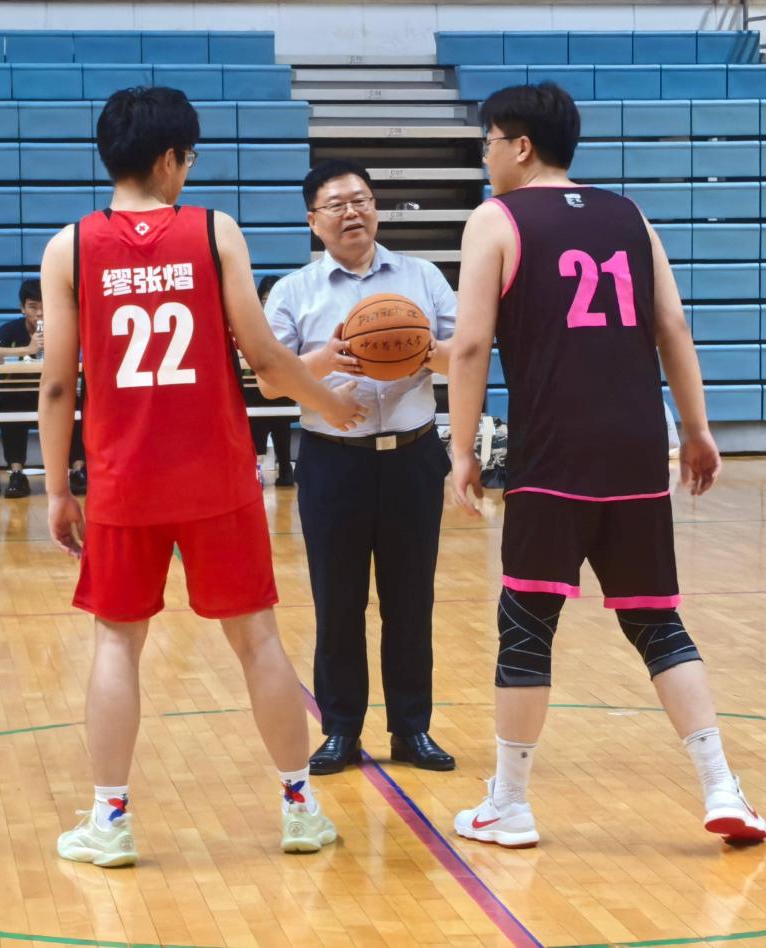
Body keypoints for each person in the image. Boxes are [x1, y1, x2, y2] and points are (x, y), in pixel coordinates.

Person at [37, 86, 368, 865]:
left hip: (122, 481)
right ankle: (299, 809)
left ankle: (110, 821)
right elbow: (266, 360)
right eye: (187, 158)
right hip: (216, 477)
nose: (188, 171)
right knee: (257, 641)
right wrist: (328, 402)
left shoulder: (68, 248)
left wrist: (56, 489)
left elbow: (56, 386)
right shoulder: (215, 230)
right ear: (168, 159)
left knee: (116, 644)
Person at [447, 83, 766, 848]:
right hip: (635, 450)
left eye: (489, 142)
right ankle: (723, 787)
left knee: (527, 622)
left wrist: (460, 449)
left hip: (553, 452)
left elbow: (469, 344)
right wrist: (697, 430)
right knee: (657, 620)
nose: (486, 157)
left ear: (521, 146)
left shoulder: (496, 219)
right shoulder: (630, 216)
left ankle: (510, 804)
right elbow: (673, 326)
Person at [265, 159, 459, 775]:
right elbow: (271, 381)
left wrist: (424, 351)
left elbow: (465, 356)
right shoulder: (293, 291)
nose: (353, 212)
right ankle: (341, 730)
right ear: (313, 220)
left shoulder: (423, 277)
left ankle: (412, 729)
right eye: (337, 204)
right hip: (332, 462)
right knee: (338, 604)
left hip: (412, 457)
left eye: (362, 200)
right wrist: (329, 358)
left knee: (412, 601)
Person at [0, 279, 86, 498]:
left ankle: (78, 470)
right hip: (21, 395)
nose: (39, 313)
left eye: (44, 305)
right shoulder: (12, 328)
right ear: (22, 308)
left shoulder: (64, 326)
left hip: (56, 393)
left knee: (78, 405)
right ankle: (17, 474)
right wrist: (27, 349)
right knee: (8, 404)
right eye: (32, 307)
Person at [247, 274, 294, 487]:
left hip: (281, 387)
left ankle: (285, 468)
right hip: (255, 390)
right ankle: (256, 469)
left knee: (282, 427)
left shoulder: (289, 320)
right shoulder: (250, 322)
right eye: (265, 299)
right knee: (256, 430)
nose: (269, 303)